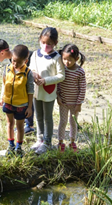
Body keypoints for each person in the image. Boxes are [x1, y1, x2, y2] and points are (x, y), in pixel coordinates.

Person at [29, 27, 65, 155]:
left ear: (55, 43)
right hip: (36, 91)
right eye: (43, 42)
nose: (46, 46)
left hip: (49, 92)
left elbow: (61, 76)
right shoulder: (35, 54)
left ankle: (48, 142)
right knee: (38, 116)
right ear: (40, 40)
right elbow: (30, 69)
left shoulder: (57, 57)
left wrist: (46, 80)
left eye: (49, 44)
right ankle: (40, 139)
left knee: (47, 117)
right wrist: (33, 75)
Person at [0, 39, 35, 135]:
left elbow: (30, 84)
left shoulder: (18, 59)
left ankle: (29, 125)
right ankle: (27, 123)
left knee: (28, 96)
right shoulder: (11, 63)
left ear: (2, 53)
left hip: (33, 83)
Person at [0, 44, 34, 157]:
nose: (15, 64)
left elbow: (30, 91)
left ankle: (19, 147)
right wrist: (2, 97)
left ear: (26, 61)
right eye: (13, 61)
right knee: (9, 124)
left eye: (19, 62)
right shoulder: (7, 68)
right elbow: (4, 84)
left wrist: (29, 107)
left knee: (20, 127)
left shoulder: (28, 73)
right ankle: (11, 145)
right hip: (8, 103)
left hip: (21, 105)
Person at [57, 44, 86, 152]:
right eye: (64, 59)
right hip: (63, 102)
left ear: (76, 59)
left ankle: (72, 142)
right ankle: (60, 142)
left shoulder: (80, 72)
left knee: (73, 122)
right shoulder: (62, 69)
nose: (66, 62)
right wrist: (58, 97)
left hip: (75, 103)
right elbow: (58, 84)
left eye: (70, 60)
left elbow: (82, 89)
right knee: (63, 121)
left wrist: (79, 104)